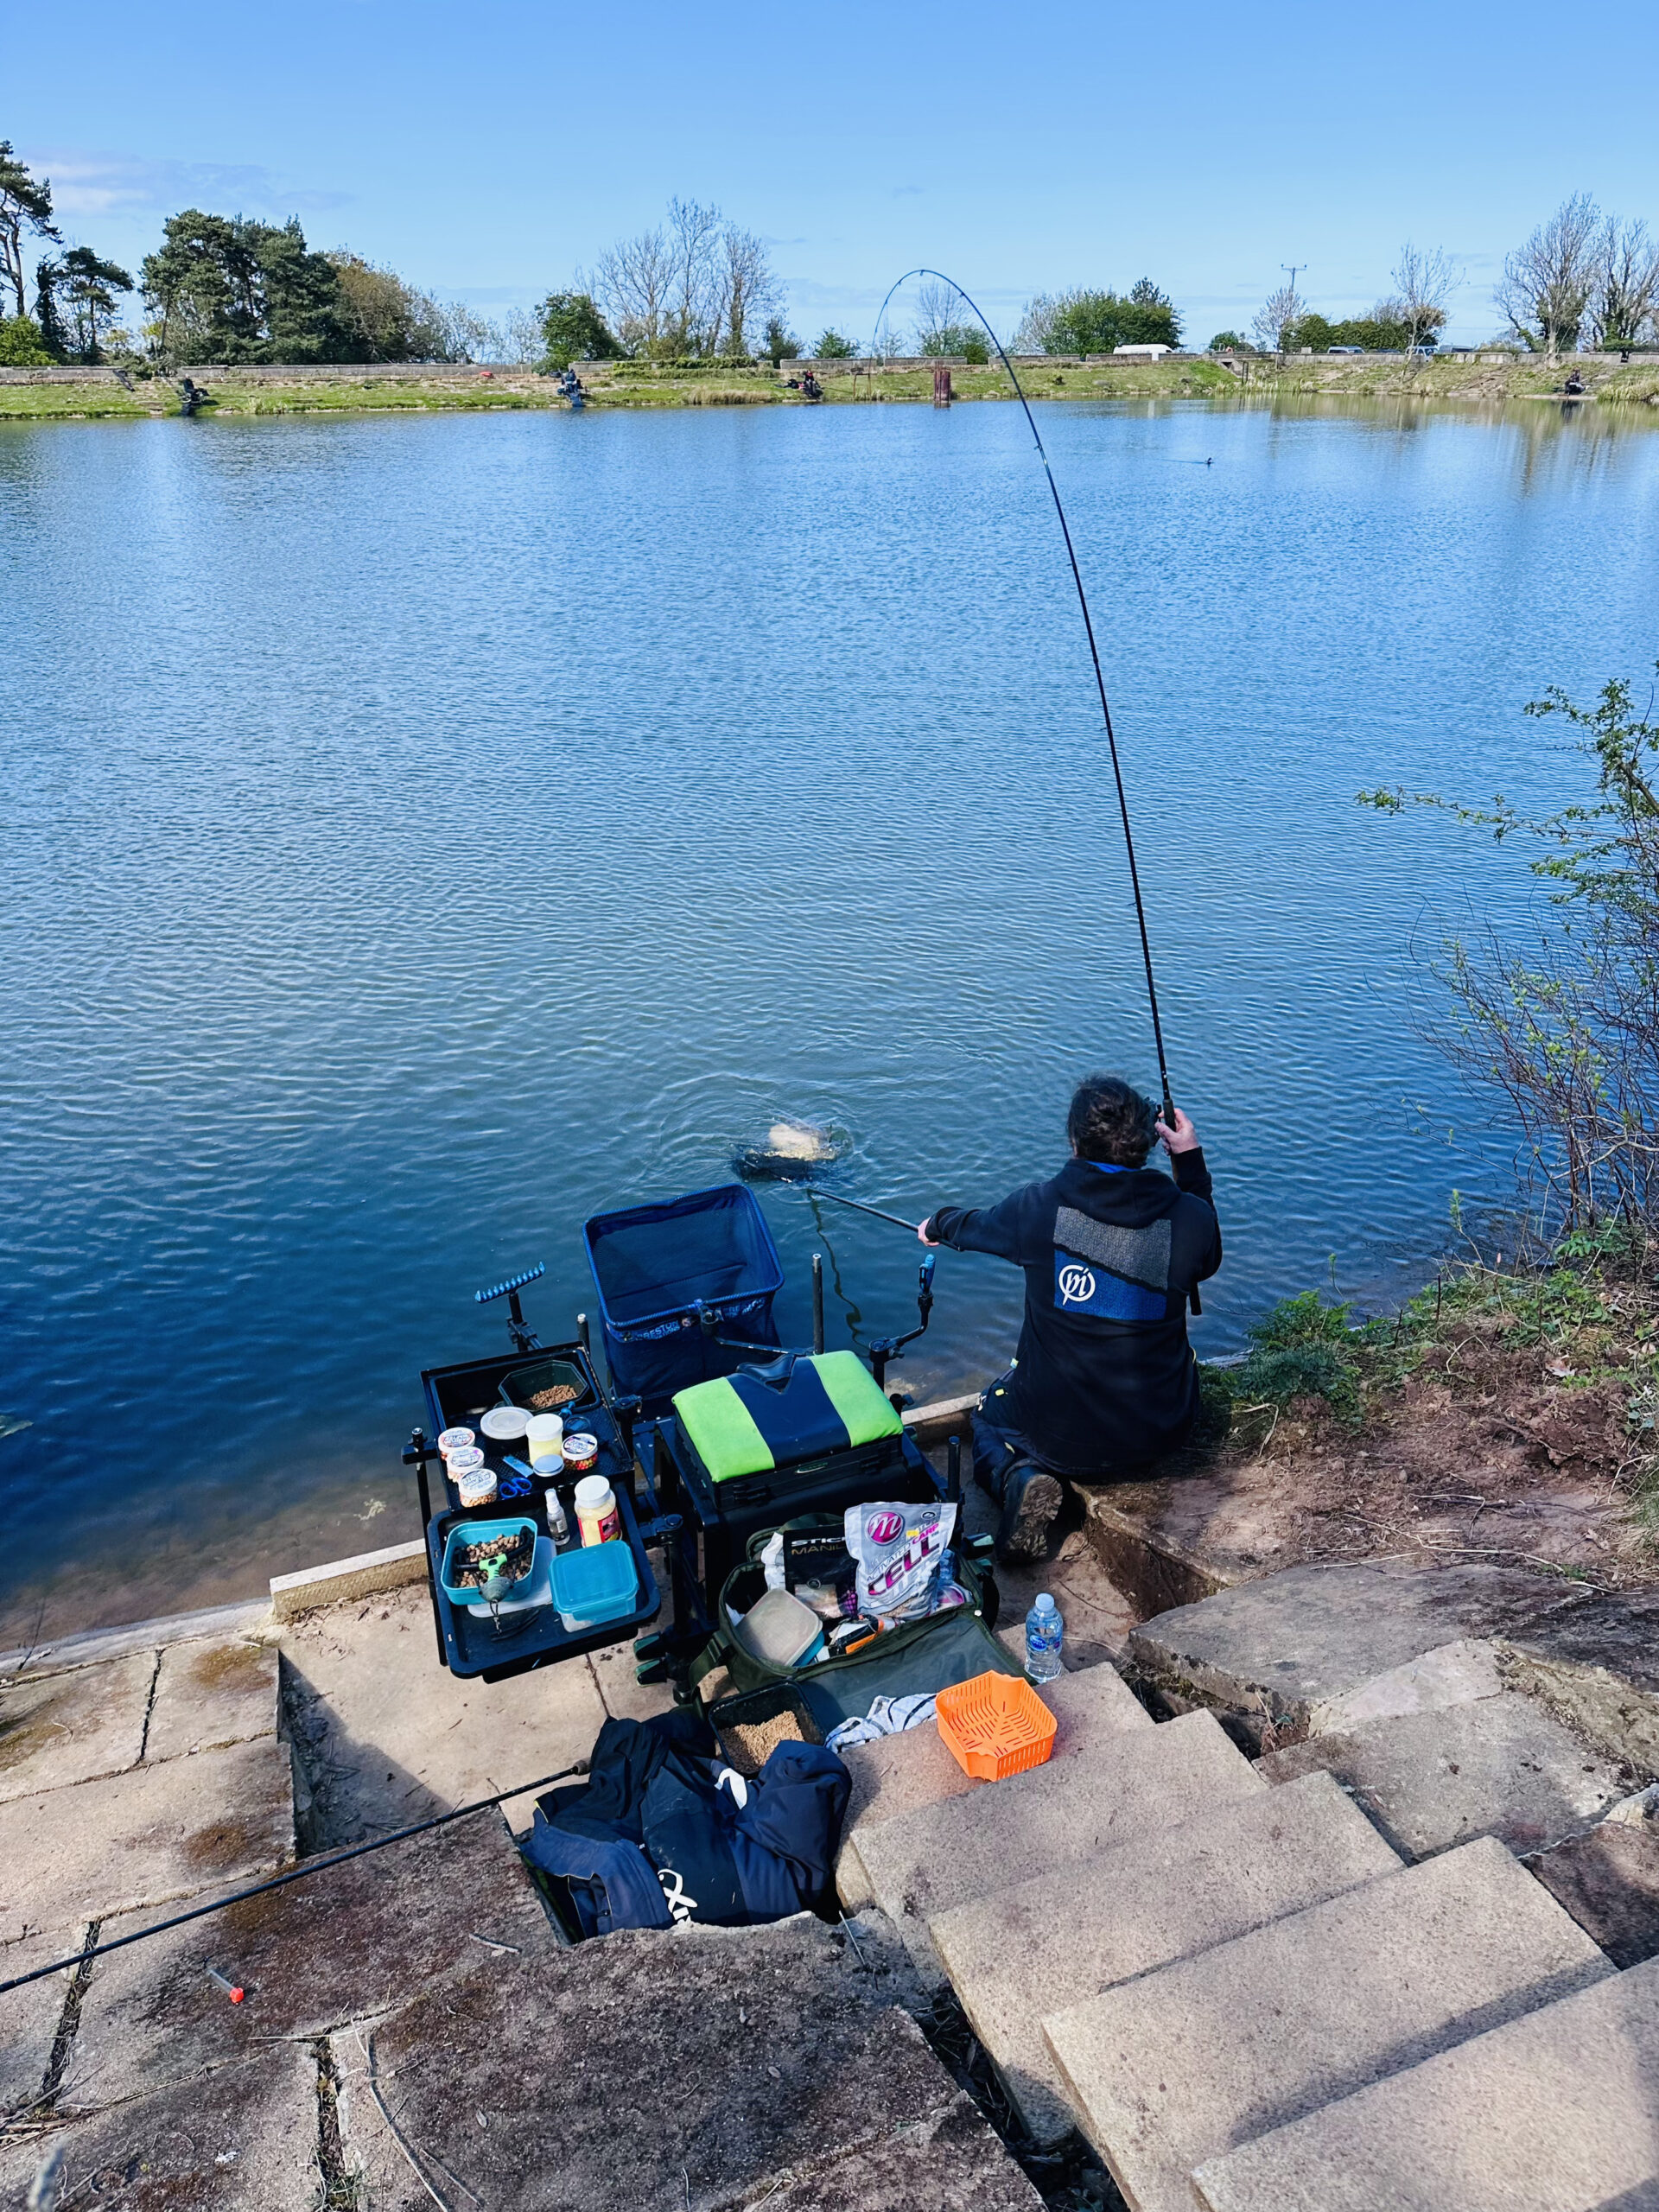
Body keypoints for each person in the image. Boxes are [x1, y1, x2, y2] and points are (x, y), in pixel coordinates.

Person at [918, 1074, 1222, 1558]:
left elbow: (973, 1226)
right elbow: (1208, 1256)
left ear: (1074, 1141)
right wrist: (1189, 1160)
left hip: (1060, 1437)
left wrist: (937, 1223)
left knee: (988, 1410)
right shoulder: (1190, 1217)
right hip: (1164, 1428)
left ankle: (1016, 1476)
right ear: (1150, 1141)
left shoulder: (1037, 1209)